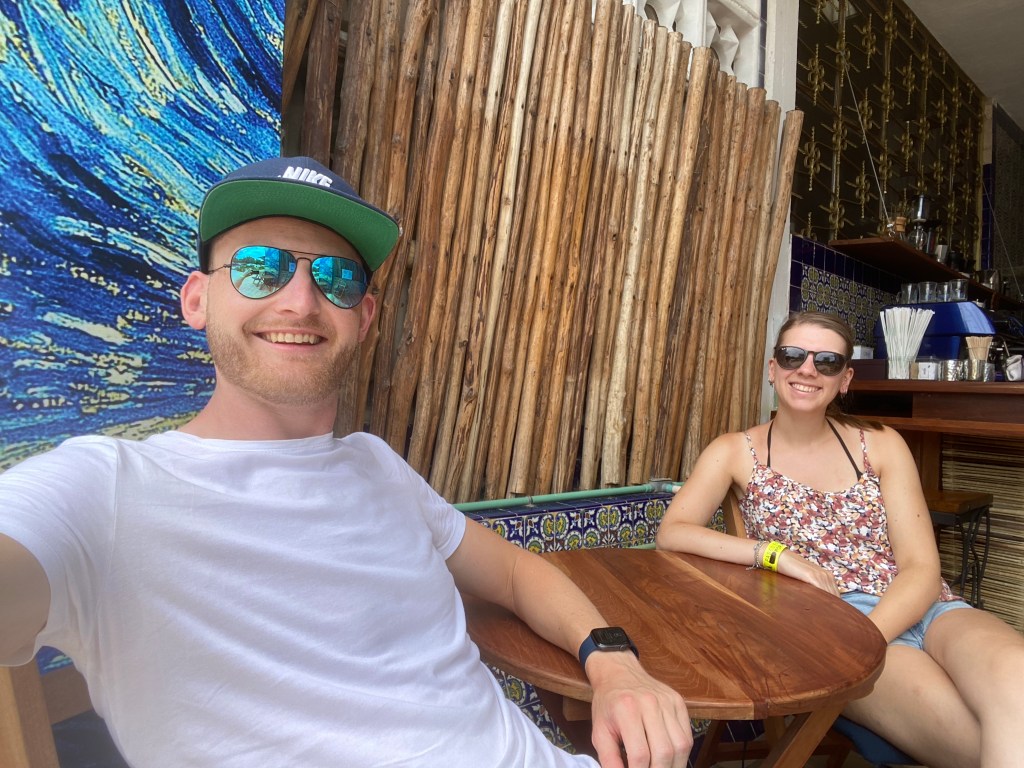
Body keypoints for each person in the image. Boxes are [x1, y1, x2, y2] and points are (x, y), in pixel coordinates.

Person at [0, 156, 692, 768]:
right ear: (197, 299)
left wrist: (614, 664)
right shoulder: (108, 491)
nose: (302, 301)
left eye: (335, 278)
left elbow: (514, 572)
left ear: (365, 318)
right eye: (261, 268)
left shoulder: (376, 465)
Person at [655, 310, 1024, 768]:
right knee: (973, 741)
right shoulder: (735, 451)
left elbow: (922, 569)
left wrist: (872, 636)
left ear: (845, 379)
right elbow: (673, 533)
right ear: (773, 368)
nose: (807, 369)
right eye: (793, 356)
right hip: (832, 630)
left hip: (926, 608)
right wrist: (774, 554)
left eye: (827, 361)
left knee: (1016, 678)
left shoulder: (882, 444)